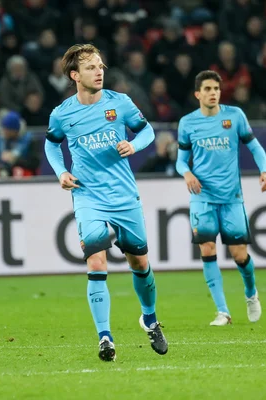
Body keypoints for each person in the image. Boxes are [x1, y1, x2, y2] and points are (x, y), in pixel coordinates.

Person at [44, 44, 168, 362]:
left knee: (139, 263)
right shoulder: (62, 114)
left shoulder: (120, 103)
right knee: (96, 263)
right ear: (75, 75)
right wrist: (60, 172)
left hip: (124, 195)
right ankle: (105, 338)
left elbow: (147, 131)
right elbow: (51, 144)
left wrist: (134, 144)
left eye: (101, 66)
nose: (99, 71)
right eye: (91, 67)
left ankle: (150, 319)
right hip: (88, 195)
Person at [175, 70, 266, 326]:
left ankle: (251, 294)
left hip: (231, 198)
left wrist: (264, 170)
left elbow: (254, 146)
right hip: (202, 197)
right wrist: (186, 174)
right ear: (198, 94)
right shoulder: (187, 123)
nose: (213, 93)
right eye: (207, 89)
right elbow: (180, 161)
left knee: (240, 255)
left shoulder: (235, 116)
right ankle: (223, 311)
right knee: (207, 249)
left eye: (216, 89)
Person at [0, 111, 41, 178]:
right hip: (3, 174)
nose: (4, 132)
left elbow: (35, 163)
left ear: (15, 130)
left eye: (7, 130)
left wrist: (16, 160)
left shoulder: (30, 140)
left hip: (25, 176)